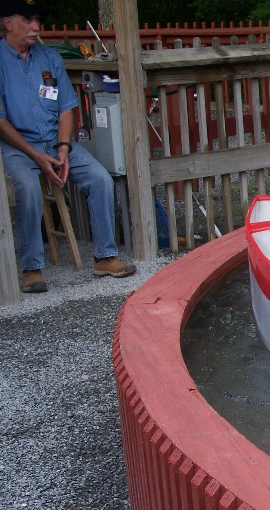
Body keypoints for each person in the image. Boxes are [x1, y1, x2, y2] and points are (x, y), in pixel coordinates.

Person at [0, 0, 134, 293]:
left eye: (36, 20)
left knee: (100, 178)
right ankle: (31, 268)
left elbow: (65, 108)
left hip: (55, 141)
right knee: (27, 187)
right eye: (27, 20)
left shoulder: (49, 57)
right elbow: (1, 122)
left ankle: (104, 257)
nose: (36, 27)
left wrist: (63, 148)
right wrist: (36, 155)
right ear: (7, 22)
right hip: (19, 148)